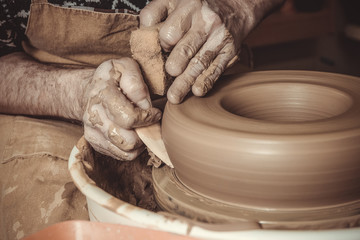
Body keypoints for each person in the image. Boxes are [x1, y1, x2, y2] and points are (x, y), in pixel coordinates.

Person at [0, 0, 284, 238]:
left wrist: (239, 6)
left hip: (208, 75)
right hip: (52, 96)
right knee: (68, 221)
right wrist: (78, 93)